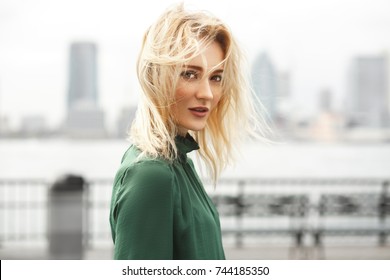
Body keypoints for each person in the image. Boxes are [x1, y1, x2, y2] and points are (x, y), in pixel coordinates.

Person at [109, 3, 268, 260]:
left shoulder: (178, 163)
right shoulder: (150, 174)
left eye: (216, 77)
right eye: (190, 74)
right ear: (156, 77)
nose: (207, 94)